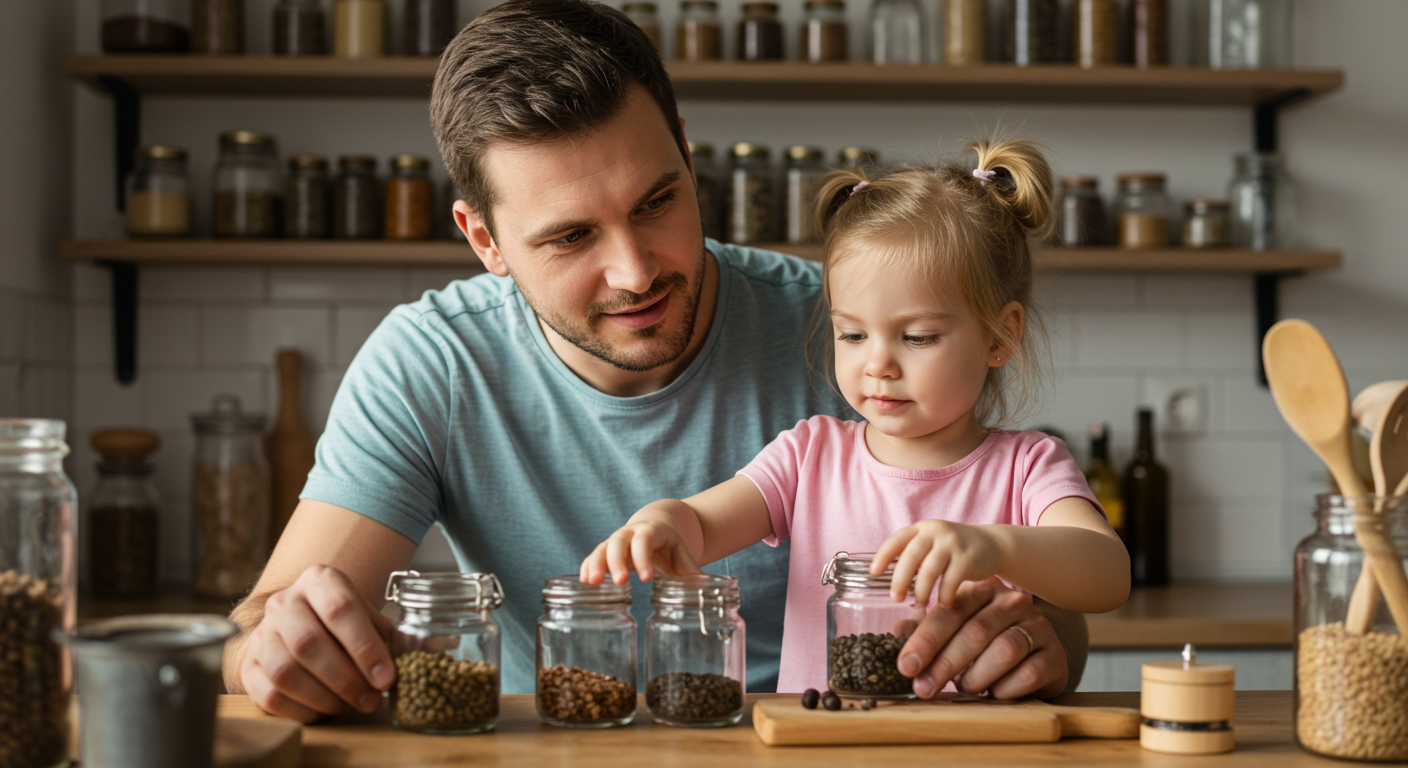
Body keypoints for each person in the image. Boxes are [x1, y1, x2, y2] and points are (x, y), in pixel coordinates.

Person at [223, 0, 1093, 723]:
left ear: (683, 145)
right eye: (570, 236)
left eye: (657, 201)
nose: (636, 271)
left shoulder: (848, 328)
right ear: (483, 240)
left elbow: (1049, 581)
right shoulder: (433, 364)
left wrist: (1036, 638)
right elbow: (263, 621)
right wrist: (274, 648)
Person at [582, 141, 1130, 697]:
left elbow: (1108, 574)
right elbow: (702, 523)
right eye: (852, 334)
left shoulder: (1027, 466)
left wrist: (997, 547)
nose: (879, 365)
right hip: (824, 747)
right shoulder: (809, 453)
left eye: (917, 337)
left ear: (1000, 336)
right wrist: (661, 524)